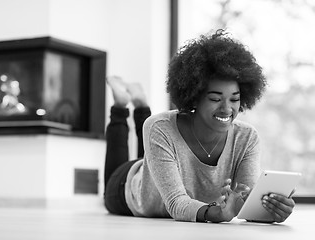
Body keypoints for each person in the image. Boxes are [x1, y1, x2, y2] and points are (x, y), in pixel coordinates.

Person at [104, 29, 295, 223]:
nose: (226, 109)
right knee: (141, 141)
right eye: (215, 98)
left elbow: (245, 198)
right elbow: (176, 204)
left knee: (150, 141)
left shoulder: (246, 138)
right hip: (127, 187)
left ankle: (140, 104)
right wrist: (216, 213)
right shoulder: (160, 128)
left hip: (157, 162)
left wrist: (269, 209)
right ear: (194, 97)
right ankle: (121, 106)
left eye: (234, 99)